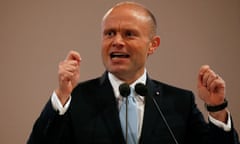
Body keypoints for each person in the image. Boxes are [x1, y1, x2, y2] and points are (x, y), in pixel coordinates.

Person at [27, 1, 239, 144]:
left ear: (152, 45)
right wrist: (62, 96)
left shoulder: (180, 102)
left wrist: (217, 108)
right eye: (110, 33)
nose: (117, 42)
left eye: (129, 34)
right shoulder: (76, 99)